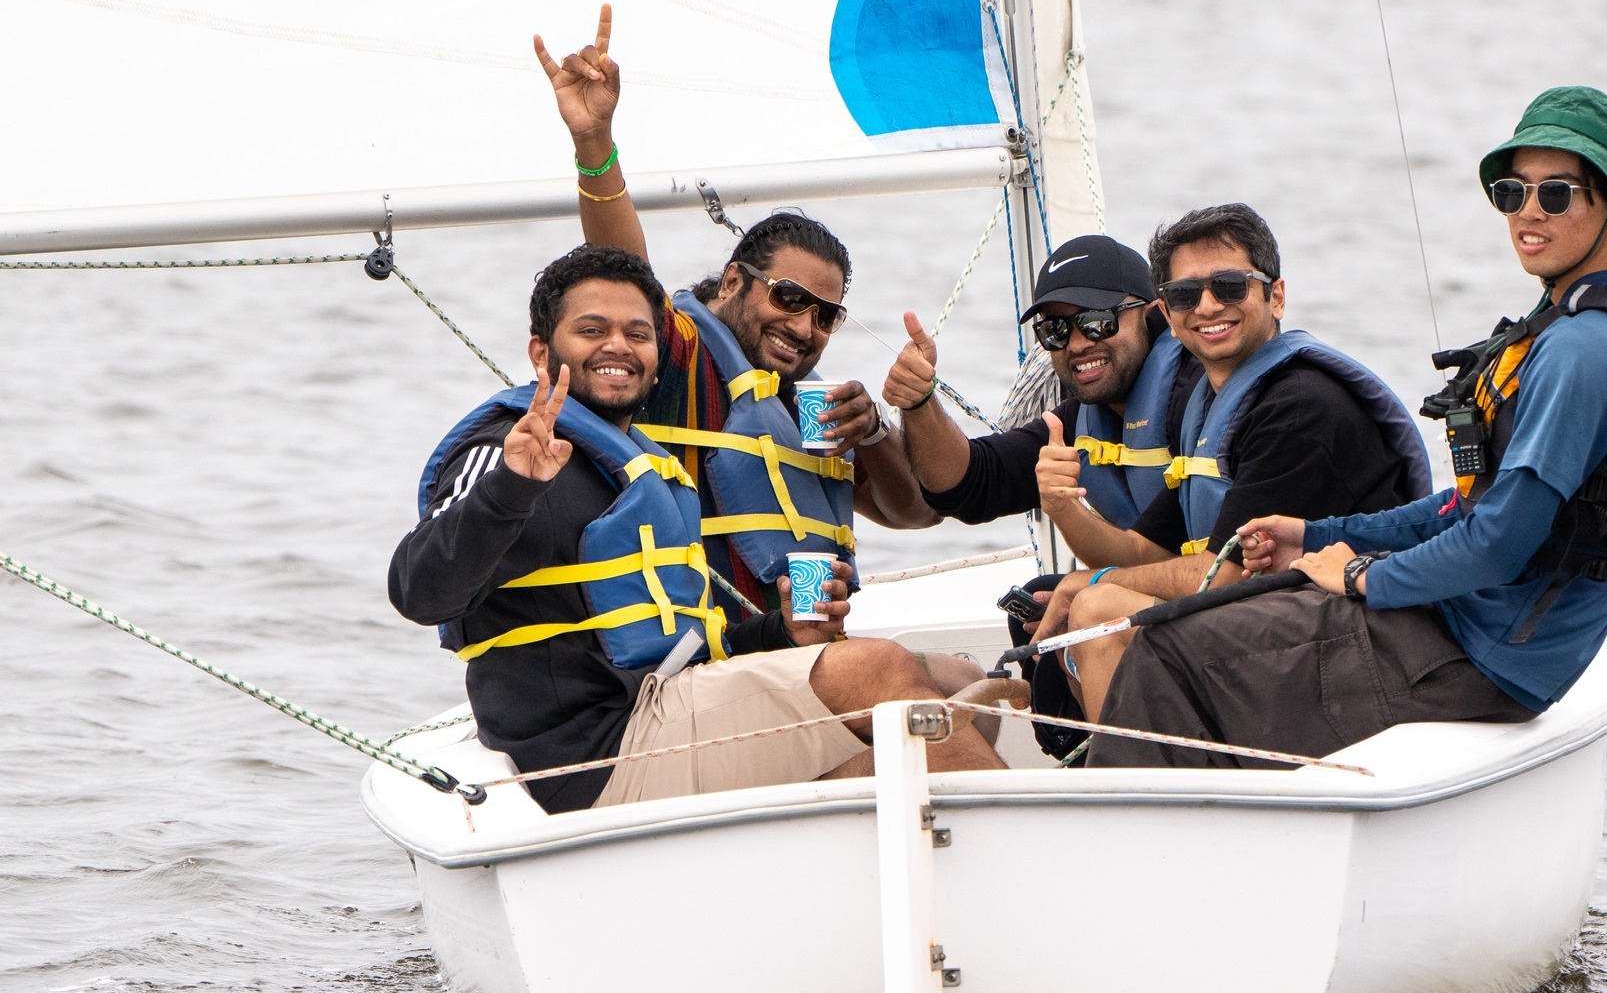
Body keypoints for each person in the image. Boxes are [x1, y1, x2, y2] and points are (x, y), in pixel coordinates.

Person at [1083, 87, 1607, 769]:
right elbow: (1463, 508)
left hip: (1478, 654)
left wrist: (1359, 578)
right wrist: (1317, 537)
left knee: (1162, 652)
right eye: (1511, 191)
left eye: (1556, 194)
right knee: (1196, 626)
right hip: (1465, 624)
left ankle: (1146, 860)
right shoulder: (1566, 328)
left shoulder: (1583, 353)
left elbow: (1498, 545)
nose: (1528, 211)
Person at [388, 245, 1004, 813]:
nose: (619, 347)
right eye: (591, 330)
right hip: (592, 754)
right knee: (876, 671)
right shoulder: (508, 448)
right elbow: (419, 591)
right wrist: (513, 485)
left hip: (658, 713)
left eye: (637, 333)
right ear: (541, 352)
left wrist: (782, 631)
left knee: (961, 694)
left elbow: (680, 647)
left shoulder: (638, 459)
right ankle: (1029, 865)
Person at [534, 7, 937, 629]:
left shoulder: (802, 408)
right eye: (788, 298)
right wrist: (594, 146)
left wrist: (878, 433)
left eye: (826, 316)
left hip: (788, 647)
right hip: (691, 655)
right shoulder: (676, 355)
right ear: (731, 281)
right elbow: (622, 270)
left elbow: (914, 515)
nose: (804, 328)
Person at [1022, 203, 1434, 723]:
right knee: (1057, 599)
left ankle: (1128, 792)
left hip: (1358, 642)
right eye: (1186, 294)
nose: (1208, 306)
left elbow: (1224, 575)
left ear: (1276, 296)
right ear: (1168, 314)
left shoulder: (1302, 406)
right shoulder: (1213, 412)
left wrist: (1097, 582)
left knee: (1100, 613)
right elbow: (1141, 551)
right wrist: (1063, 507)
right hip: (1283, 626)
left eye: (1231, 286)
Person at [883, 233, 1200, 754]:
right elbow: (966, 486)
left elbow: (1181, 549)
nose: (1077, 344)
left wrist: (1069, 526)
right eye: (1055, 330)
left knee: (1081, 601)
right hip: (1157, 584)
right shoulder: (1077, 422)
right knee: (1033, 602)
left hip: (1227, 588)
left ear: (1154, 314)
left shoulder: (1198, 398)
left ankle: (1140, 778)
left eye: (1097, 321)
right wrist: (919, 404)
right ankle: (1083, 762)